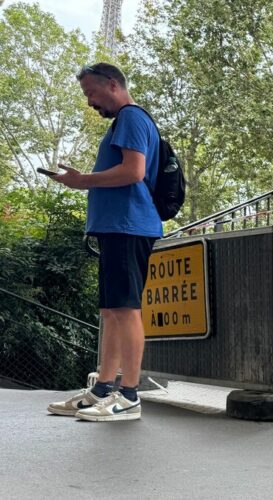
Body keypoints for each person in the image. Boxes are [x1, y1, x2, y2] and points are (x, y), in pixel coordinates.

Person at [46, 63, 162, 422]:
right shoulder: (124, 122)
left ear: (112, 85)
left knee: (126, 310)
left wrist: (84, 181)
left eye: (90, 93)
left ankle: (129, 396)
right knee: (112, 311)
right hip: (118, 228)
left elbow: (134, 171)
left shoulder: (131, 117)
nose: (89, 102)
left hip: (129, 227)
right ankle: (102, 389)